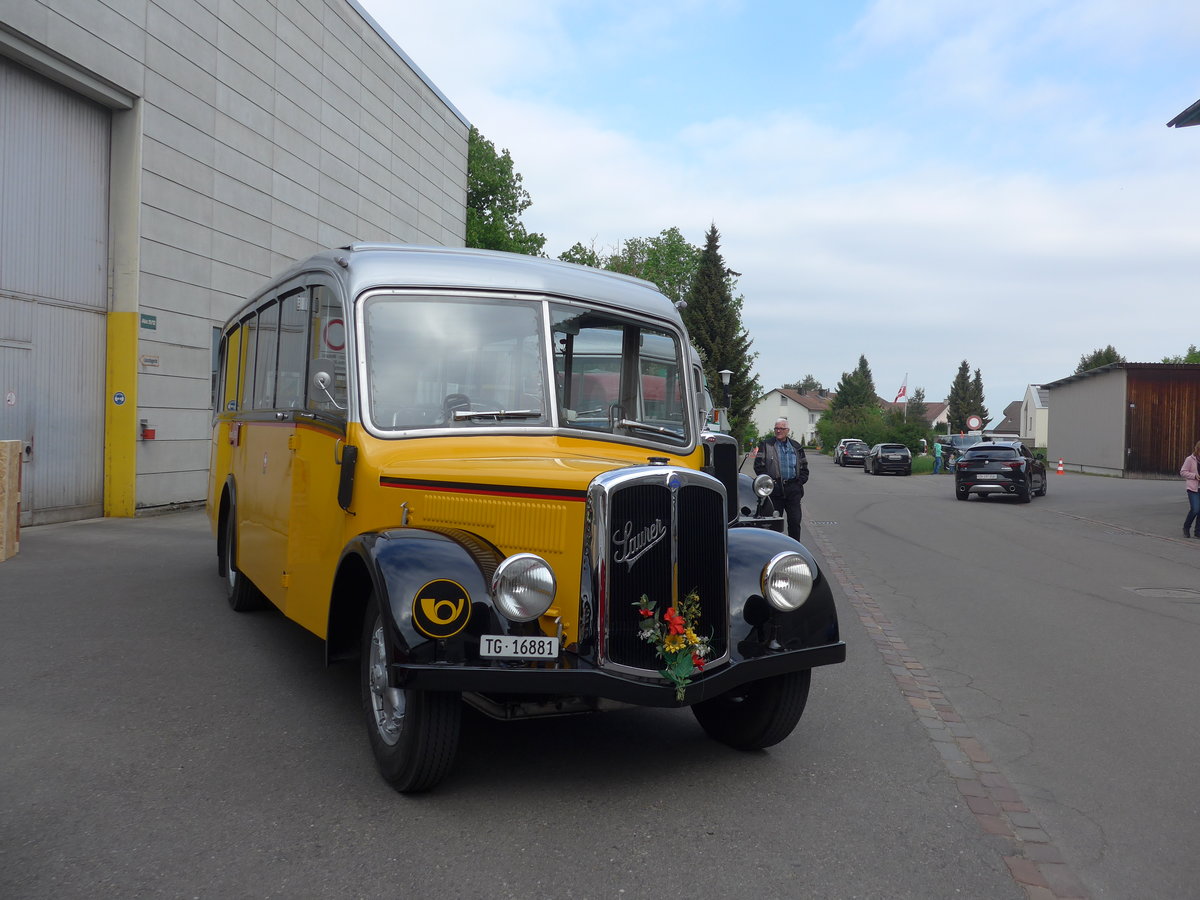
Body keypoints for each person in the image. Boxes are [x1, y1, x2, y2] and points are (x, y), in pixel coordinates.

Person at [754, 418, 809, 542]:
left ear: (787, 430)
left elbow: (804, 468)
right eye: (776, 428)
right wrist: (769, 483)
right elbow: (758, 466)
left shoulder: (796, 446)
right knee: (773, 524)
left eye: (781, 428)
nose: (778, 431)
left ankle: (795, 547)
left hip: (793, 490)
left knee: (795, 522)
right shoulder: (766, 444)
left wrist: (799, 482)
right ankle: (773, 549)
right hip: (774, 491)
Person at [1180, 441, 1200, 537]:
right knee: (1195, 509)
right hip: (1193, 488)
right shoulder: (1190, 459)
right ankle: (1186, 527)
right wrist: (1194, 476)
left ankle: (1198, 532)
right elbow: (1183, 472)